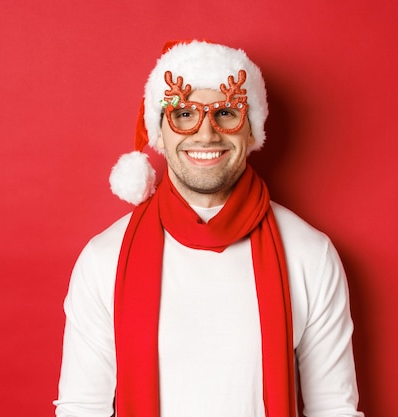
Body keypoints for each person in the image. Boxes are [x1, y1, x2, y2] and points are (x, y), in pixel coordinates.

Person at [54, 40, 364, 417]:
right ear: (158, 133)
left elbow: (334, 408)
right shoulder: (104, 259)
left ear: (251, 131)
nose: (205, 134)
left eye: (226, 114)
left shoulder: (309, 254)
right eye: (183, 114)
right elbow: (81, 409)